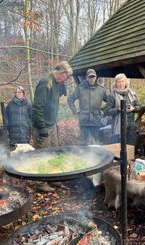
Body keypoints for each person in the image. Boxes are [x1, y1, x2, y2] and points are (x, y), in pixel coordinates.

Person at [32, 61, 73, 192]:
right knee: (43, 154)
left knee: (54, 152)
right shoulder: (45, 82)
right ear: (61, 73)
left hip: (51, 125)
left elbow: (53, 104)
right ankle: (40, 183)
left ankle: (52, 177)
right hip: (42, 127)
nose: (65, 80)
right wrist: (41, 126)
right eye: (66, 77)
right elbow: (37, 106)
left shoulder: (55, 84)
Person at [67, 68, 110, 145]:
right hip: (84, 121)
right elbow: (70, 99)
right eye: (90, 77)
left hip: (96, 121)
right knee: (84, 143)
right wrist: (74, 110)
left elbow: (110, 101)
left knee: (95, 143)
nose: (91, 79)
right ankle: (83, 156)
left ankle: (95, 157)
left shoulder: (101, 89)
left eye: (93, 77)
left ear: (96, 77)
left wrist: (103, 111)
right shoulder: (80, 88)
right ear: (86, 77)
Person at [106, 73, 141, 146]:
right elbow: (107, 111)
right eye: (119, 82)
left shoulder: (132, 93)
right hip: (118, 127)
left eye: (122, 81)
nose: (121, 83)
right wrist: (119, 109)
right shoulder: (112, 95)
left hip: (131, 126)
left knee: (130, 147)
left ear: (125, 82)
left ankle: (130, 158)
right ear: (116, 83)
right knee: (119, 148)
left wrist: (133, 108)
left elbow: (139, 107)